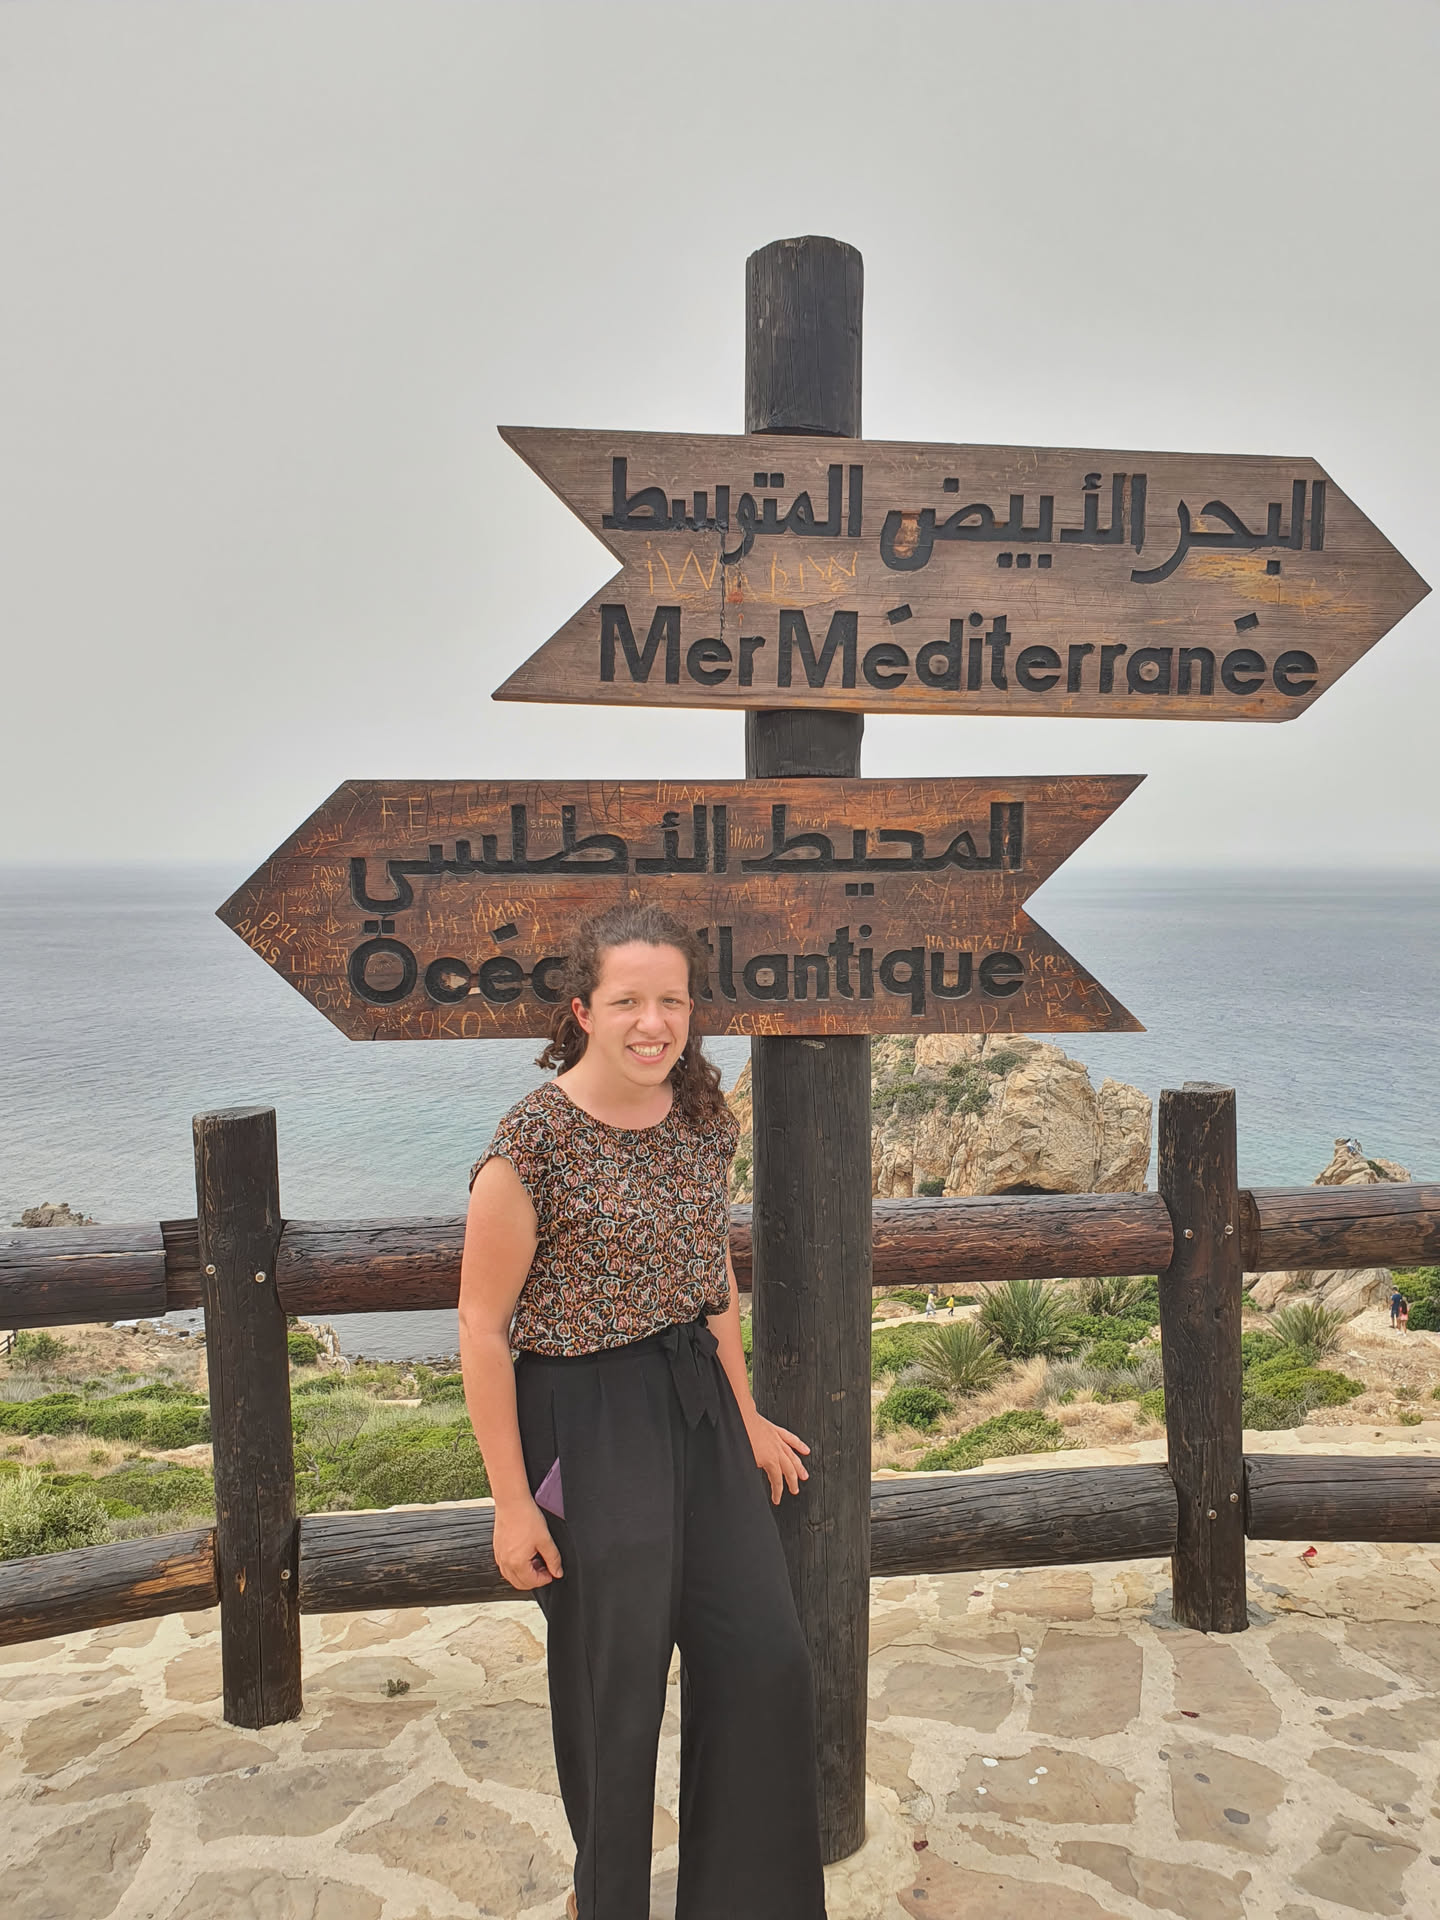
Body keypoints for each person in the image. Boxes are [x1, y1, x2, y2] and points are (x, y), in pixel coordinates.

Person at [458, 904, 826, 1920]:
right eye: (627, 1001)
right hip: (583, 1421)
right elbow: (482, 1329)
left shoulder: (703, 1119)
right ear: (584, 1011)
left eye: (671, 1001)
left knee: (765, 1661)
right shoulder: (531, 1143)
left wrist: (745, 1415)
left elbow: (712, 1284)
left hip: (696, 1403)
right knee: (613, 1698)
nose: (652, 1022)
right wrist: (511, 1506)